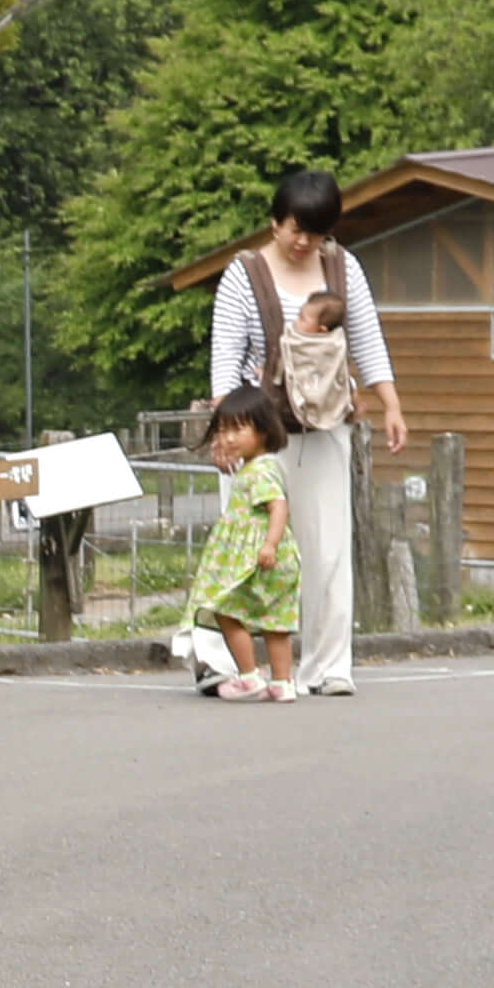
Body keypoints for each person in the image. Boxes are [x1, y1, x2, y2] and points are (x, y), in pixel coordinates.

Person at [207, 167, 407, 696]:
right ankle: (227, 665)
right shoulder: (243, 273)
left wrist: (390, 404)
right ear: (275, 222)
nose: (303, 242)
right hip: (257, 436)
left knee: (327, 548)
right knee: (243, 547)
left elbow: (367, 338)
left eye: (314, 233)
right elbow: (225, 358)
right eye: (295, 229)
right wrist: (225, 433)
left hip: (323, 428)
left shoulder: (344, 269)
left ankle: (328, 665)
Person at [175, 385, 305, 699]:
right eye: (223, 429)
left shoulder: (260, 470)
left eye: (238, 429)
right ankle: (282, 682)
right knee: (275, 620)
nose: (229, 437)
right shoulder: (260, 466)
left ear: (263, 429)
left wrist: (270, 544)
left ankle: (249, 676)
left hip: (260, 557)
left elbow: (278, 505)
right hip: (271, 555)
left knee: (225, 608)